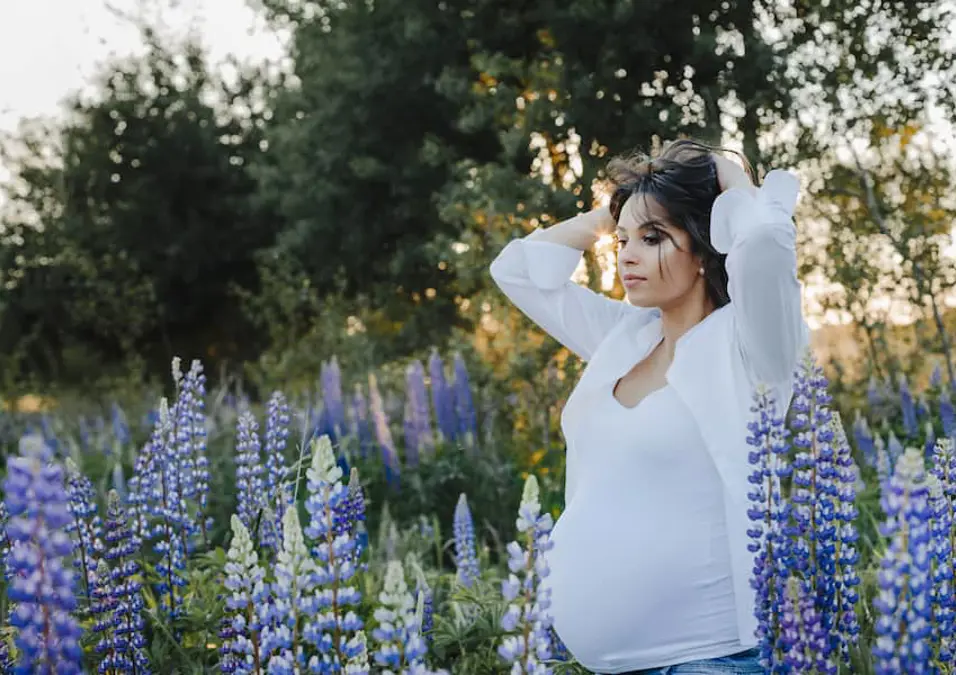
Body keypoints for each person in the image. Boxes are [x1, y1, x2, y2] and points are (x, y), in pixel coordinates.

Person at [488, 139, 810, 675]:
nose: (628, 256)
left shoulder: (753, 349)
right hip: (608, 665)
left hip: (712, 659)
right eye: (623, 242)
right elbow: (517, 271)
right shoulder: (627, 336)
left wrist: (723, 172)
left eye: (654, 238)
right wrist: (620, 206)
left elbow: (766, 241)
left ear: (706, 251)